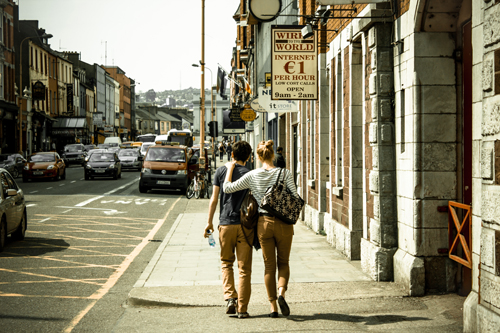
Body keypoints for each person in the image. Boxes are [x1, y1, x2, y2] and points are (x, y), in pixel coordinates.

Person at [223, 140, 298, 318]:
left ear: (257, 157)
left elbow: (228, 188)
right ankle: (281, 294)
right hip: (284, 224)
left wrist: (230, 170)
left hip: (263, 224)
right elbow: (295, 197)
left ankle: (273, 307)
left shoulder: (253, 175)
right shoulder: (284, 173)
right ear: (273, 155)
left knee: (269, 266)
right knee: (284, 262)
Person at [204, 141, 253, 319]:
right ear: (248, 157)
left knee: (226, 263)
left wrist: (209, 222)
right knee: (244, 269)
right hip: (245, 226)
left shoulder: (221, 171)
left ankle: (230, 298)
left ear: (232, 155)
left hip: (225, 223)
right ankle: (243, 308)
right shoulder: (250, 174)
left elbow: (214, 198)